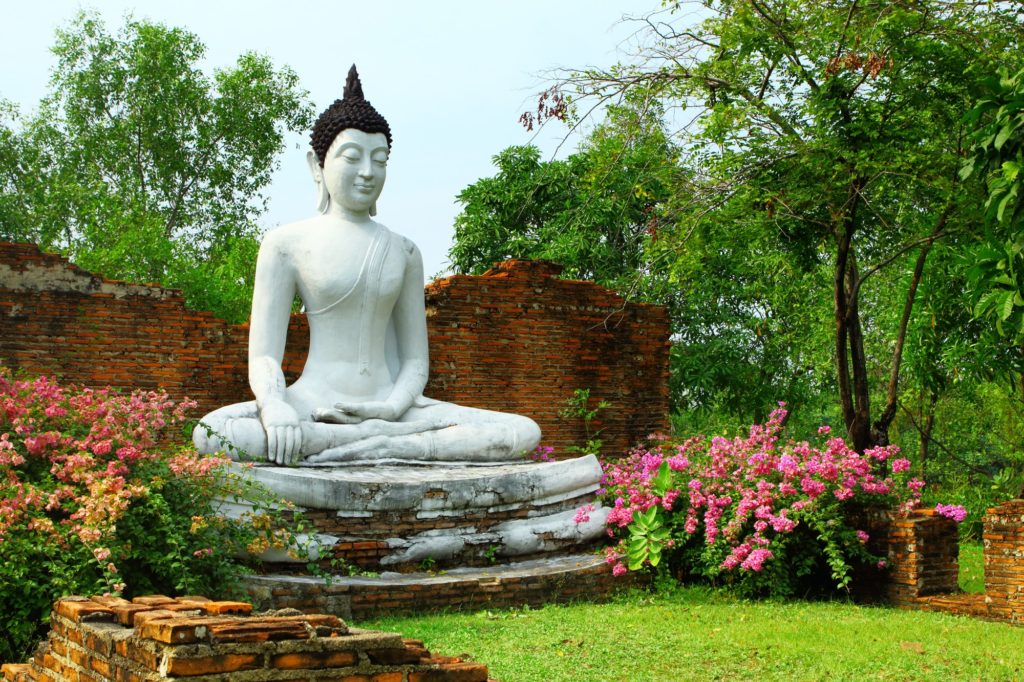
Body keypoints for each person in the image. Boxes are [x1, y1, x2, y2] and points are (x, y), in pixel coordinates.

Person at [193, 65, 540, 466]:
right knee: (214, 432)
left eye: (380, 160)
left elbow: (415, 362)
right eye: (352, 157)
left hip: (394, 412)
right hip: (313, 404)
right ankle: (371, 441)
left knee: (522, 431)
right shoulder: (286, 244)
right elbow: (265, 356)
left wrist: (391, 409)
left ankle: (388, 444)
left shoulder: (404, 251)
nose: (367, 172)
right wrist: (275, 406)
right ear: (317, 165)